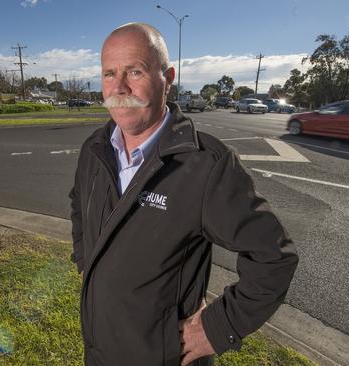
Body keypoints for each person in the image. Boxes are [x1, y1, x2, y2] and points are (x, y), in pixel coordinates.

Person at [69, 22, 298, 366]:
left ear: (168, 77)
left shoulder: (206, 165)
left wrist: (218, 328)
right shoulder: (95, 148)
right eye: (109, 74)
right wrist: (86, 261)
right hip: (98, 349)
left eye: (135, 71)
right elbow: (78, 205)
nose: (119, 87)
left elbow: (274, 257)